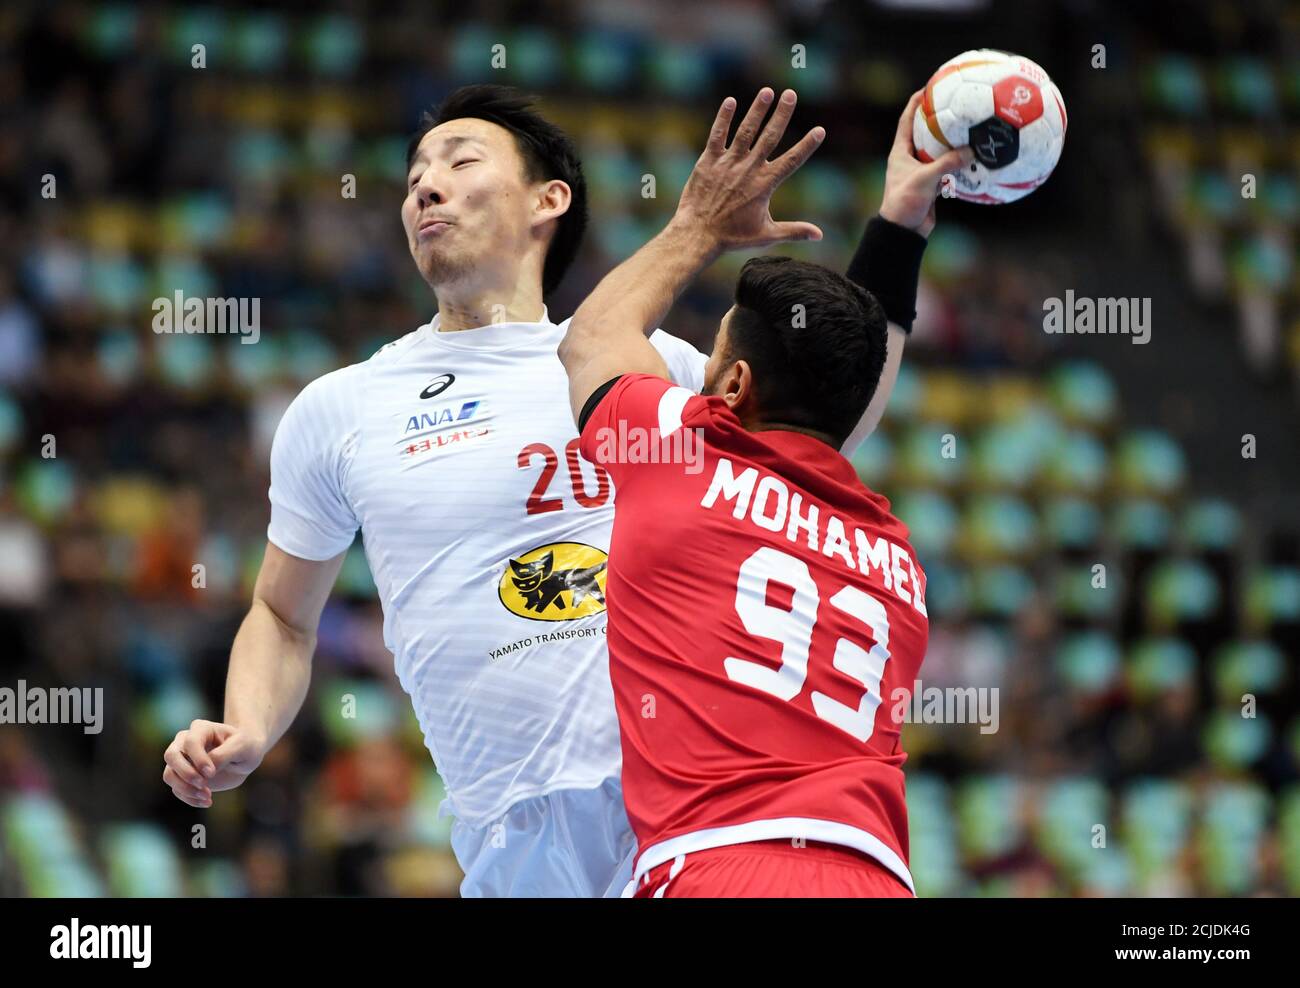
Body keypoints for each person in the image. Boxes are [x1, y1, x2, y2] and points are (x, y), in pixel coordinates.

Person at [160, 82, 927, 898]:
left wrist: (902, 220)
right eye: (416, 172)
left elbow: (829, 421)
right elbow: (281, 615)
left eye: (460, 161)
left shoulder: (644, 362)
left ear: (548, 199)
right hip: (511, 842)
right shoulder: (340, 408)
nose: (426, 184)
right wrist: (245, 724)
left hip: (675, 815)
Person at [559, 87, 969, 896]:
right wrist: (900, 228)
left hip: (722, 865)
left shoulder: (681, 455)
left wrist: (699, 225)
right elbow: (844, 411)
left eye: (714, 360)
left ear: (736, 383)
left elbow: (593, 341)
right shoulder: (895, 559)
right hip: (876, 875)